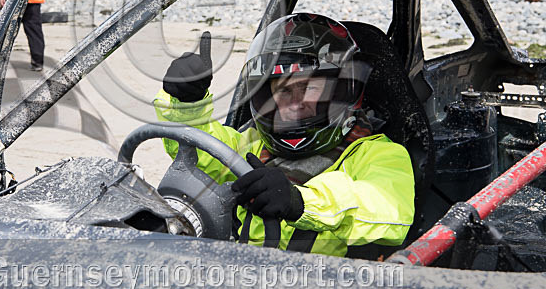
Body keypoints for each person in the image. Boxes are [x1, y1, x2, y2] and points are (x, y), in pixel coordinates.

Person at [154, 13, 415, 256]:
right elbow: (198, 150)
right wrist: (185, 103)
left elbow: (389, 211)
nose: (294, 103)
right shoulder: (251, 144)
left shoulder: (380, 154)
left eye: (309, 87)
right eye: (283, 90)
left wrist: (299, 201)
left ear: (340, 90)